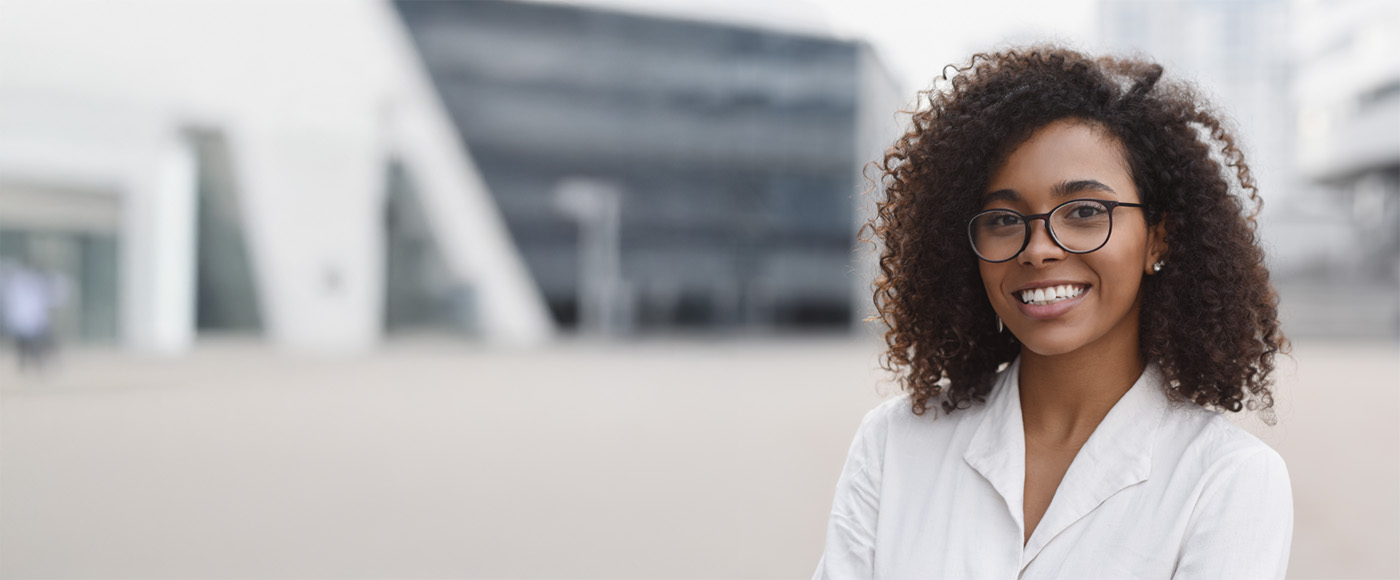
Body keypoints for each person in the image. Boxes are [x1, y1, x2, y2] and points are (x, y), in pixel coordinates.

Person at [812, 45, 1292, 578]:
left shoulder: (1228, 480)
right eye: (1002, 219)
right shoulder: (892, 445)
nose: (1037, 248)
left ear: (1159, 238)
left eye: (1085, 212)